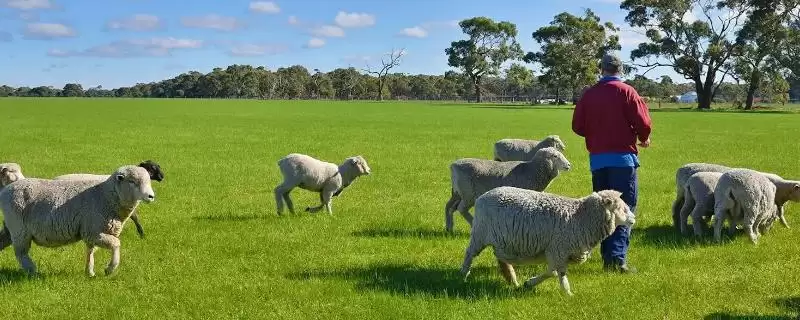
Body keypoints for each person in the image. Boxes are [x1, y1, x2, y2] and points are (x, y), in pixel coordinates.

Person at [571, 53, 652, 274]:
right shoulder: (628, 92)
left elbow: (577, 126)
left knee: (603, 210)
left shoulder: (590, 94)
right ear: (620, 69)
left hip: (598, 160)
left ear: (602, 69)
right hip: (623, 160)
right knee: (622, 208)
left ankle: (606, 254)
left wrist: (596, 133)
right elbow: (643, 123)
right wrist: (642, 137)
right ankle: (616, 260)